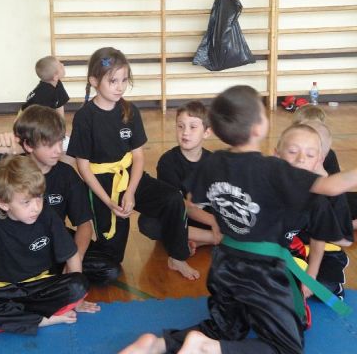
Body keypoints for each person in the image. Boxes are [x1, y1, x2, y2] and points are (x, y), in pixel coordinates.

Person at [119, 85, 357, 354]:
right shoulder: (274, 170)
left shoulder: (213, 162)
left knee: (224, 327)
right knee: (287, 347)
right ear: (260, 127)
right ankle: (207, 348)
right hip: (262, 272)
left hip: (224, 265)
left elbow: (195, 201)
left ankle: (159, 344)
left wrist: (222, 225)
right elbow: (332, 187)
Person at [67, 47, 199, 280]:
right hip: (101, 185)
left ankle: (177, 257)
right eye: (113, 81)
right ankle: (67, 249)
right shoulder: (85, 117)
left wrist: (130, 192)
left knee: (172, 199)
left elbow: (138, 156)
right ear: (94, 81)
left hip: (129, 176)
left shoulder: (129, 111)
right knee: (111, 261)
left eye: (124, 80)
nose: (120, 87)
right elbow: (83, 167)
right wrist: (109, 202)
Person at [0, 105, 120, 285]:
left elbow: (84, 224)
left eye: (60, 142)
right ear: (28, 145)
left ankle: (49, 279)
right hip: (18, 243)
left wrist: (76, 260)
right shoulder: (11, 168)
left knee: (109, 269)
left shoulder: (66, 175)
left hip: (56, 240)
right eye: (49, 144)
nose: (58, 150)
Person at [0, 155, 100, 336]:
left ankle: (18, 319)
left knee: (78, 284)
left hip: (41, 286)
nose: (36, 207)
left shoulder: (47, 215)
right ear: (3, 203)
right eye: (26, 202)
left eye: (39, 197)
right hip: (4, 290)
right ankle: (43, 320)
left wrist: (78, 300)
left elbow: (72, 256)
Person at [275, 123, 352, 299]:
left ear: (319, 160)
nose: (301, 159)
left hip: (315, 251)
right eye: (293, 151)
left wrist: (310, 276)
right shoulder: (265, 185)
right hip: (281, 252)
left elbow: (325, 239)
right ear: (277, 155)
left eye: (310, 154)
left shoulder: (321, 199)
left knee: (322, 286)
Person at [138, 101, 221, 251]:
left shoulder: (214, 162)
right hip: (181, 216)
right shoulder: (167, 162)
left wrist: (217, 219)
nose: (185, 132)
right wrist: (214, 222)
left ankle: (195, 240)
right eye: (180, 126)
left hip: (206, 217)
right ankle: (212, 238)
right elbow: (182, 206)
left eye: (193, 127)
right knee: (147, 223)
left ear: (206, 132)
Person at [292, 106, 357, 229]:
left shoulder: (329, 154)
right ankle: (348, 225)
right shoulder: (291, 152)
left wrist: (325, 175)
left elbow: (337, 190)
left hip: (328, 197)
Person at [21, 55, 70, 151]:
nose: (63, 65)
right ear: (55, 77)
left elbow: (60, 106)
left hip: (40, 121)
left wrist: (62, 131)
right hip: (28, 122)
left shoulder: (57, 84)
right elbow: (40, 120)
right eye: (60, 65)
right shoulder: (44, 94)